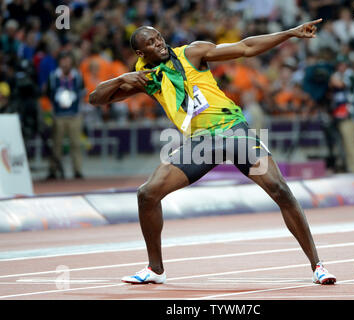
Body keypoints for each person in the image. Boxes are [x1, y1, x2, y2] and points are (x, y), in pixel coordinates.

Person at [89, 20, 336, 285]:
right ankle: (155, 269)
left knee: (280, 190)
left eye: (159, 37)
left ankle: (317, 266)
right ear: (140, 54)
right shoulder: (146, 78)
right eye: (151, 42)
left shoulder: (192, 53)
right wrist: (121, 79)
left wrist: (290, 33)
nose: (159, 43)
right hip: (201, 143)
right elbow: (96, 99)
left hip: (233, 131)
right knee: (147, 194)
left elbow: (246, 47)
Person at [46, 51, 85, 180]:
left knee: (76, 144)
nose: (65, 64)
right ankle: (53, 170)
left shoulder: (77, 76)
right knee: (56, 144)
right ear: (59, 63)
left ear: (71, 63)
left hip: (74, 115)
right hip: (59, 115)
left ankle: (77, 170)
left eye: (68, 61)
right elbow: (49, 93)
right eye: (63, 61)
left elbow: (81, 91)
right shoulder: (53, 76)